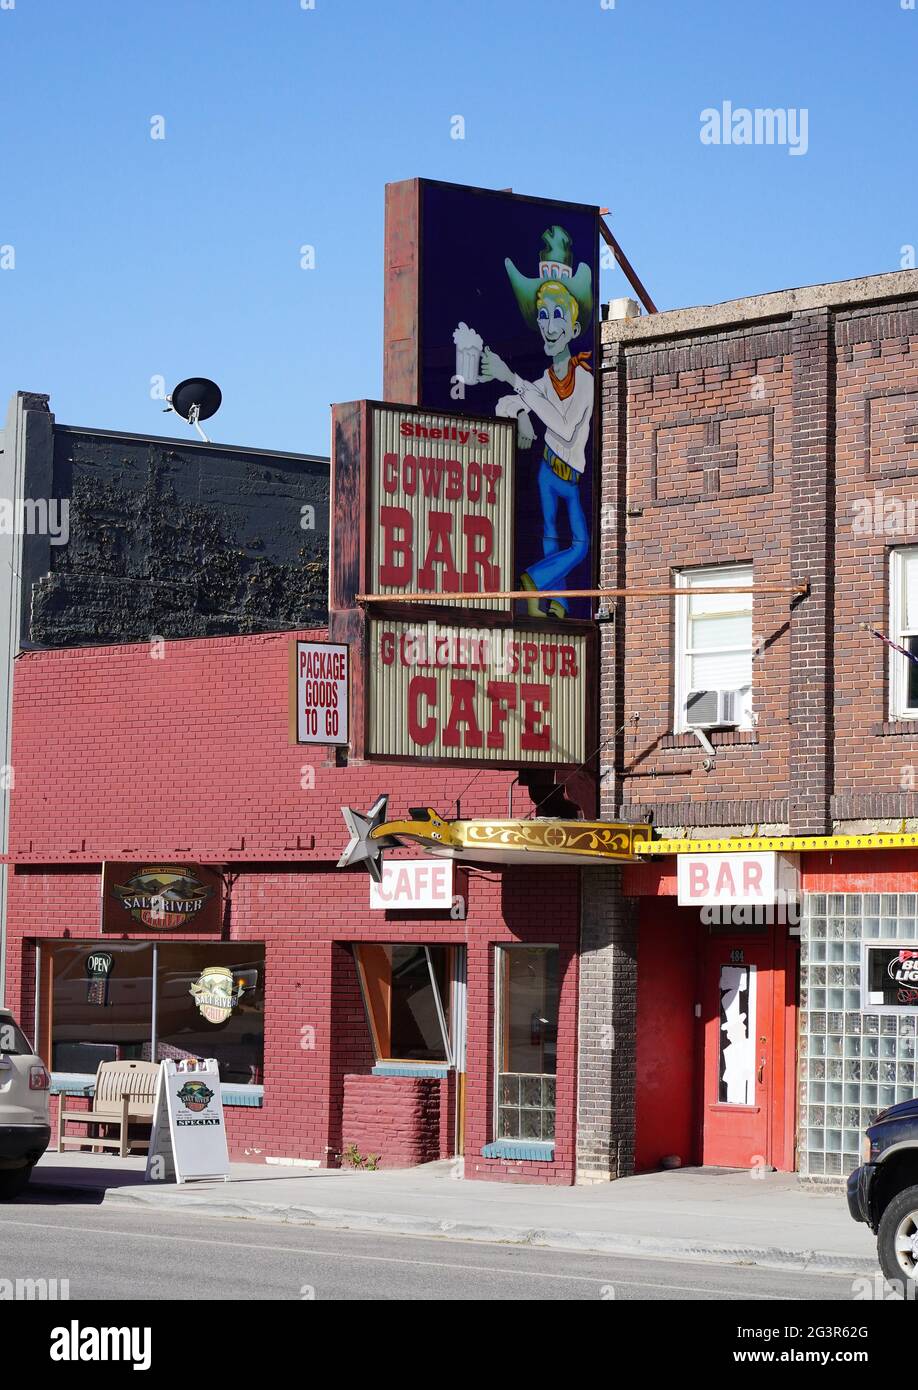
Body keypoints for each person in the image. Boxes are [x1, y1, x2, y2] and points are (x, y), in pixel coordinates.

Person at [480, 225, 593, 619]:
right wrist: (524, 413)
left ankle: (530, 581)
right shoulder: (543, 380)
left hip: (572, 476)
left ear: (575, 328)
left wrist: (513, 379)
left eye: (558, 314)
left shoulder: (586, 381)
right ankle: (557, 607)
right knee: (550, 539)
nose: (549, 323)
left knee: (580, 544)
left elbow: (563, 426)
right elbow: (504, 406)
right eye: (543, 315)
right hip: (549, 472)